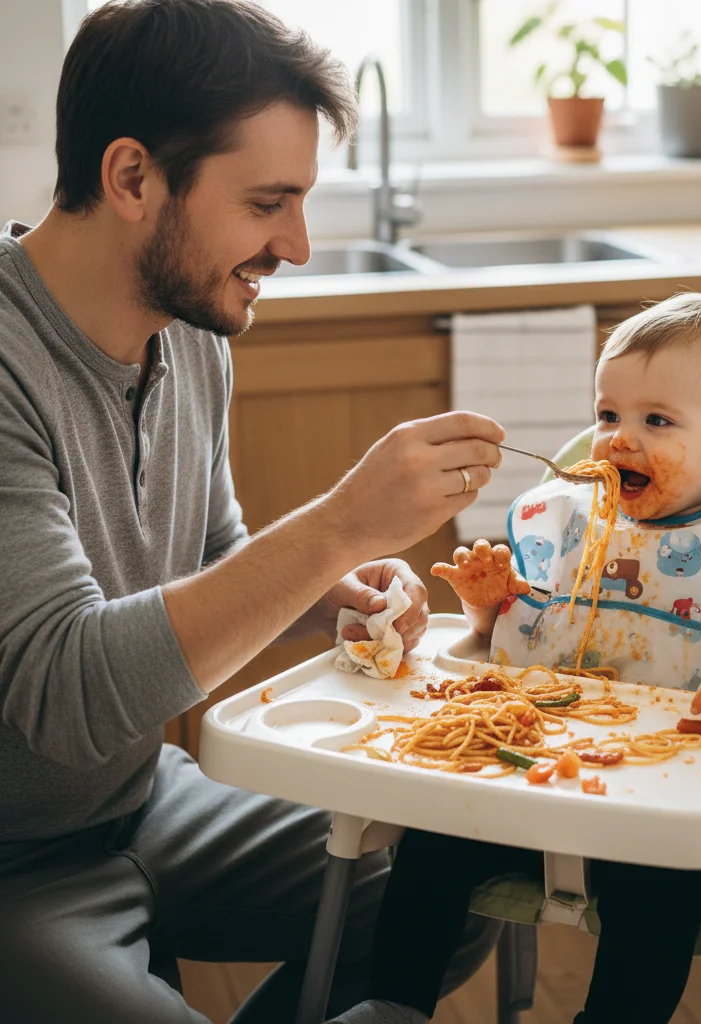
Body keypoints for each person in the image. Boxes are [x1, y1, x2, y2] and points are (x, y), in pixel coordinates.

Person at [0, 2, 504, 1021]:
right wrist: (339, 526)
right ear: (132, 178)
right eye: (269, 201)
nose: (300, 246)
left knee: (452, 895)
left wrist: (334, 592)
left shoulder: (193, 335)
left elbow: (214, 551)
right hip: (16, 866)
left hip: (149, 800)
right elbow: (66, 694)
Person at [338, 293, 701, 1024]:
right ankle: (392, 1007)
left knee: (660, 895)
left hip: (669, 801)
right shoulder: (580, 529)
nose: (615, 440)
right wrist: (489, 605)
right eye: (609, 416)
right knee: (432, 844)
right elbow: (530, 632)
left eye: (656, 421)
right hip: (533, 783)